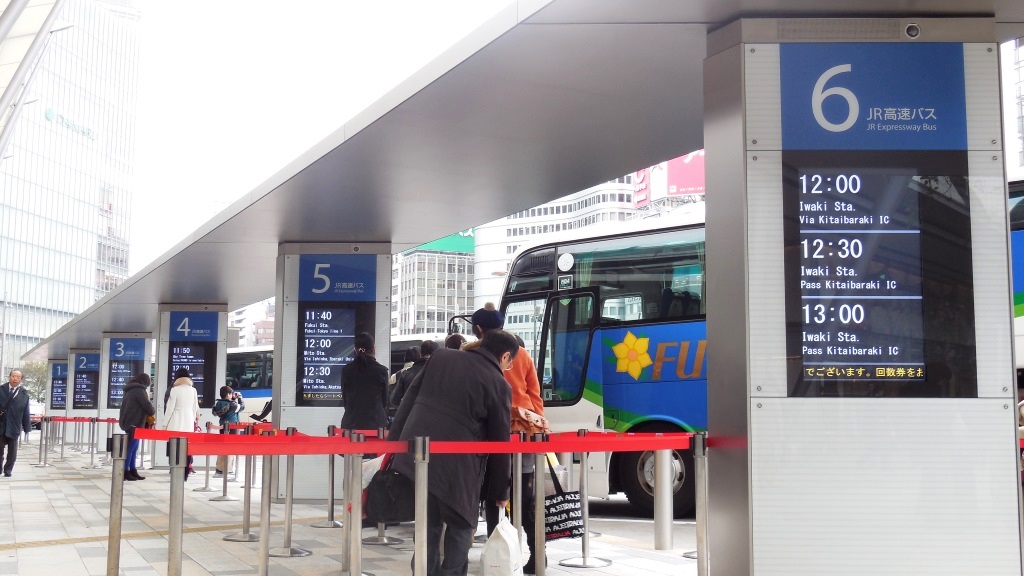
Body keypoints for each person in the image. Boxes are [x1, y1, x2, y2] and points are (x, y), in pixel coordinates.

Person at [389, 329, 518, 576]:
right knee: (460, 526)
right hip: (459, 469)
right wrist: (501, 492)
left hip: (419, 459)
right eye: (510, 362)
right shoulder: (498, 383)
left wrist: (394, 446)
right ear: (504, 357)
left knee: (427, 524)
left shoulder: (441, 357)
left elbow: (408, 400)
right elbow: (500, 442)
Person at [469, 302, 546, 574]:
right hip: (524, 434)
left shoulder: (474, 354)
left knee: (494, 494)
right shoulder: (522, 354)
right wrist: (535, 426)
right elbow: (535, 395)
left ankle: (497, 555)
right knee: (525, 498)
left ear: (479, 329)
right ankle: (537, 555)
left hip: (491, 435)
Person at [339, 332, 389, 431]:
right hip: (376, 426)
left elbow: (345, 400)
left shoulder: (346, 370)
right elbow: (384, 401)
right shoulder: (381, 371)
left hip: (350, 425)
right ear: (373, 349)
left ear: (355, 350)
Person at [162, 367, 200, 480]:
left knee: (174, 447)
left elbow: (169, 409)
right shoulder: (193, 390)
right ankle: (185, 472)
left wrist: (164, 425)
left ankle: (174, 470)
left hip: (175, 421)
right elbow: (195, 408)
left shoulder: (175, 390)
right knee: (186, 448)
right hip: (189, 421)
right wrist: (194, 419)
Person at [118, 373, 156, 481]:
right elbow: (148, 407)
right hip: (135, 424)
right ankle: (126, 471)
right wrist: (152, 410)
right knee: (131, 449)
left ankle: (132, 470)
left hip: (129, 423)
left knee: (133, 449)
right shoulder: (139, 390)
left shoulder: (129, 390)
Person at [390, 339, 438, 412]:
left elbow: (394, 400)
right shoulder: (440, 375)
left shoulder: (405, 374)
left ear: (421, 354)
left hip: (410, 416)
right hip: (432, 416)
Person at [0, 369, 32, 477]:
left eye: (18, 377)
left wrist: (27, 427)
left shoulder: (24, 394)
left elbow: (26, 412)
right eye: (13, 376)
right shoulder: (1, 390)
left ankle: (8, 470)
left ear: (21, 379)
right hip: (1, 424)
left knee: (12, 451)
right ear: (9, 377)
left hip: (14, 426)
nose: (15, 379)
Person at [212, 385, 244, 476]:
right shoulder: (232, 404)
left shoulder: (219, 403)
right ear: (227, 394)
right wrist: (240, 398)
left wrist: (233, 398)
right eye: (231, 393)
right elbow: (242, 407)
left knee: (222, 447)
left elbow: (228, 407)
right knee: (231, 448)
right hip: (232, 427)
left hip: (223, 427)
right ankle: (228, 469)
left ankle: (219, 469)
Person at [387, 346, 420, 416]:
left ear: (404, 358)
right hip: (417, 413)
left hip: (399, 414)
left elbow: (391, 398)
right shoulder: (422, 373)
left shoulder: (395, 376)